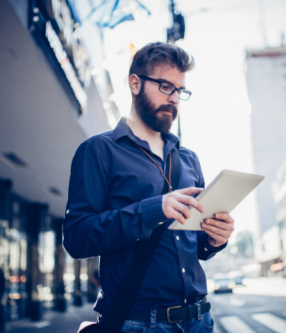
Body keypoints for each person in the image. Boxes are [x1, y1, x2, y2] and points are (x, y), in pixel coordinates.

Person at [63, 41, 235, 332]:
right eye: (166, 87)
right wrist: (155, 208)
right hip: (139, 324)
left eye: (180, 91)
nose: (174, 99)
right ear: (135, 83)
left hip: (199, 321)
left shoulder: (189, 159)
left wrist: (216, 239)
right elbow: (77, 238)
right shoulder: (98, 150)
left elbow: (196, 248)